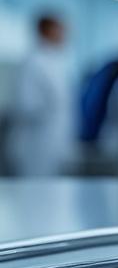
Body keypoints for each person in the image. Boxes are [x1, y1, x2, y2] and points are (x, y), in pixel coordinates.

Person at [8, 12, 75, 176]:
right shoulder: (33, 62)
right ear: (46, 31)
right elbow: (25, 104)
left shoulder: (57, 61)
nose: (63, 35)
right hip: (35, 143)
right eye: (58, 29)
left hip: (53, 141)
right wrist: (49, 109)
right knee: (34, 194)